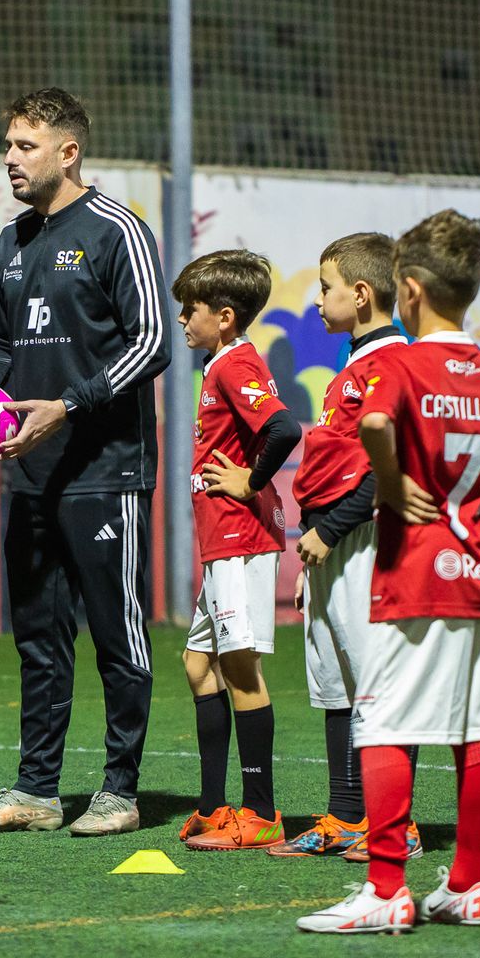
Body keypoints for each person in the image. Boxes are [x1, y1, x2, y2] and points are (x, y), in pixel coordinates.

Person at [298, 209, 480, 935]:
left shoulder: (395, 365)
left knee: (386, 725)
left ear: (412, 290)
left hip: (417, 565)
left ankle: (387, 889)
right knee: (475, 730)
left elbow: (372, 428)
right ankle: (469, 886)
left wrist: (392, 481)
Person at [0, 87, 172, 838]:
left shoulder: (118, 231)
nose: (9, 159)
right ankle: (37, 792)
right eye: (8, 145)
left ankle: (119, 790)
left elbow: (153, 345)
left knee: (118, 635)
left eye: (24, 145)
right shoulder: (14, 240)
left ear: (67, 151)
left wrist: (68, 407)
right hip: (30, 471)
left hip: (105, 470)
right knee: (39, 640)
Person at [270, 233, 423, 862]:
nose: (317, 300)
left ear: (360, 295)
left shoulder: (394, 366)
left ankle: (400, 825)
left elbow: (391, 470)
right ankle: (346, 815)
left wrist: (329, 530)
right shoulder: (354, 367)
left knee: (379, 685)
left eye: (326, 287)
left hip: (367, 546)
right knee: (336, 687)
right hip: (332, 549)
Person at [169, 250, 300, 851]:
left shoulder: (234, 365)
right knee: (199, 666)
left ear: (223, 316)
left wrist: (249, 481)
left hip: (241, 538)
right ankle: (214, 806)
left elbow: (283, 428)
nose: (180, 320)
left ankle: (261, 812)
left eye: (188, 310)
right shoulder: (221, 362)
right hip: (221, 541)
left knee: (241, 669)